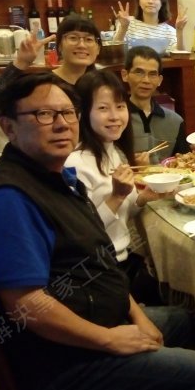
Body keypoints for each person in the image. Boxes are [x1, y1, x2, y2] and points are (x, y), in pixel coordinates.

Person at [0, 73, 195, 390]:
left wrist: (136, 316)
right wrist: (109, 339)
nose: (61, 124)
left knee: (184, 320)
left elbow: (99, 261)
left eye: (67, 113)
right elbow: (27, 305)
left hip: (95, 321)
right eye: (43, 115)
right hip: (62, 369)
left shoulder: (57, 177)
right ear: (9, 127)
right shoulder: (9, 200)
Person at [65, 69, 165, 304]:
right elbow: (83, 233)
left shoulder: (113, 151)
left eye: (120, 107)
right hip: (99, 272)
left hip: (124, 259)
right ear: (82, 113)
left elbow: (124, 214)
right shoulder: (75, 163)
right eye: (103, 108)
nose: (114, 116)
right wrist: (117, 196)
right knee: (179, 314)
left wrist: (142, 198)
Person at [0, 16, 102, 152]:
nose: (82, 45)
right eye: (73, 38)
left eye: (89, 39)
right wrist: (21, 62)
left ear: (98, 48)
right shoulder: (42, 85)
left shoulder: (102, 85)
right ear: (59, 46)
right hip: (50, 158)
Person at [121, 45, 190, 162]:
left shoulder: (175, 121)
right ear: (125, 75)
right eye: (139, 72)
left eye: (152, 74)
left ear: (159, 80)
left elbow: (183, 161)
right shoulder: (117, 120)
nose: (146, 80)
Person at [113, 0, 187, 54]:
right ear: (138, 1)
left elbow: (180, 56)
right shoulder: (128, 25)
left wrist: (179, 31)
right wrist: (123, 28)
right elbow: (115, 51)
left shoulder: (170, 32)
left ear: (162, 2)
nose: (150, 1)